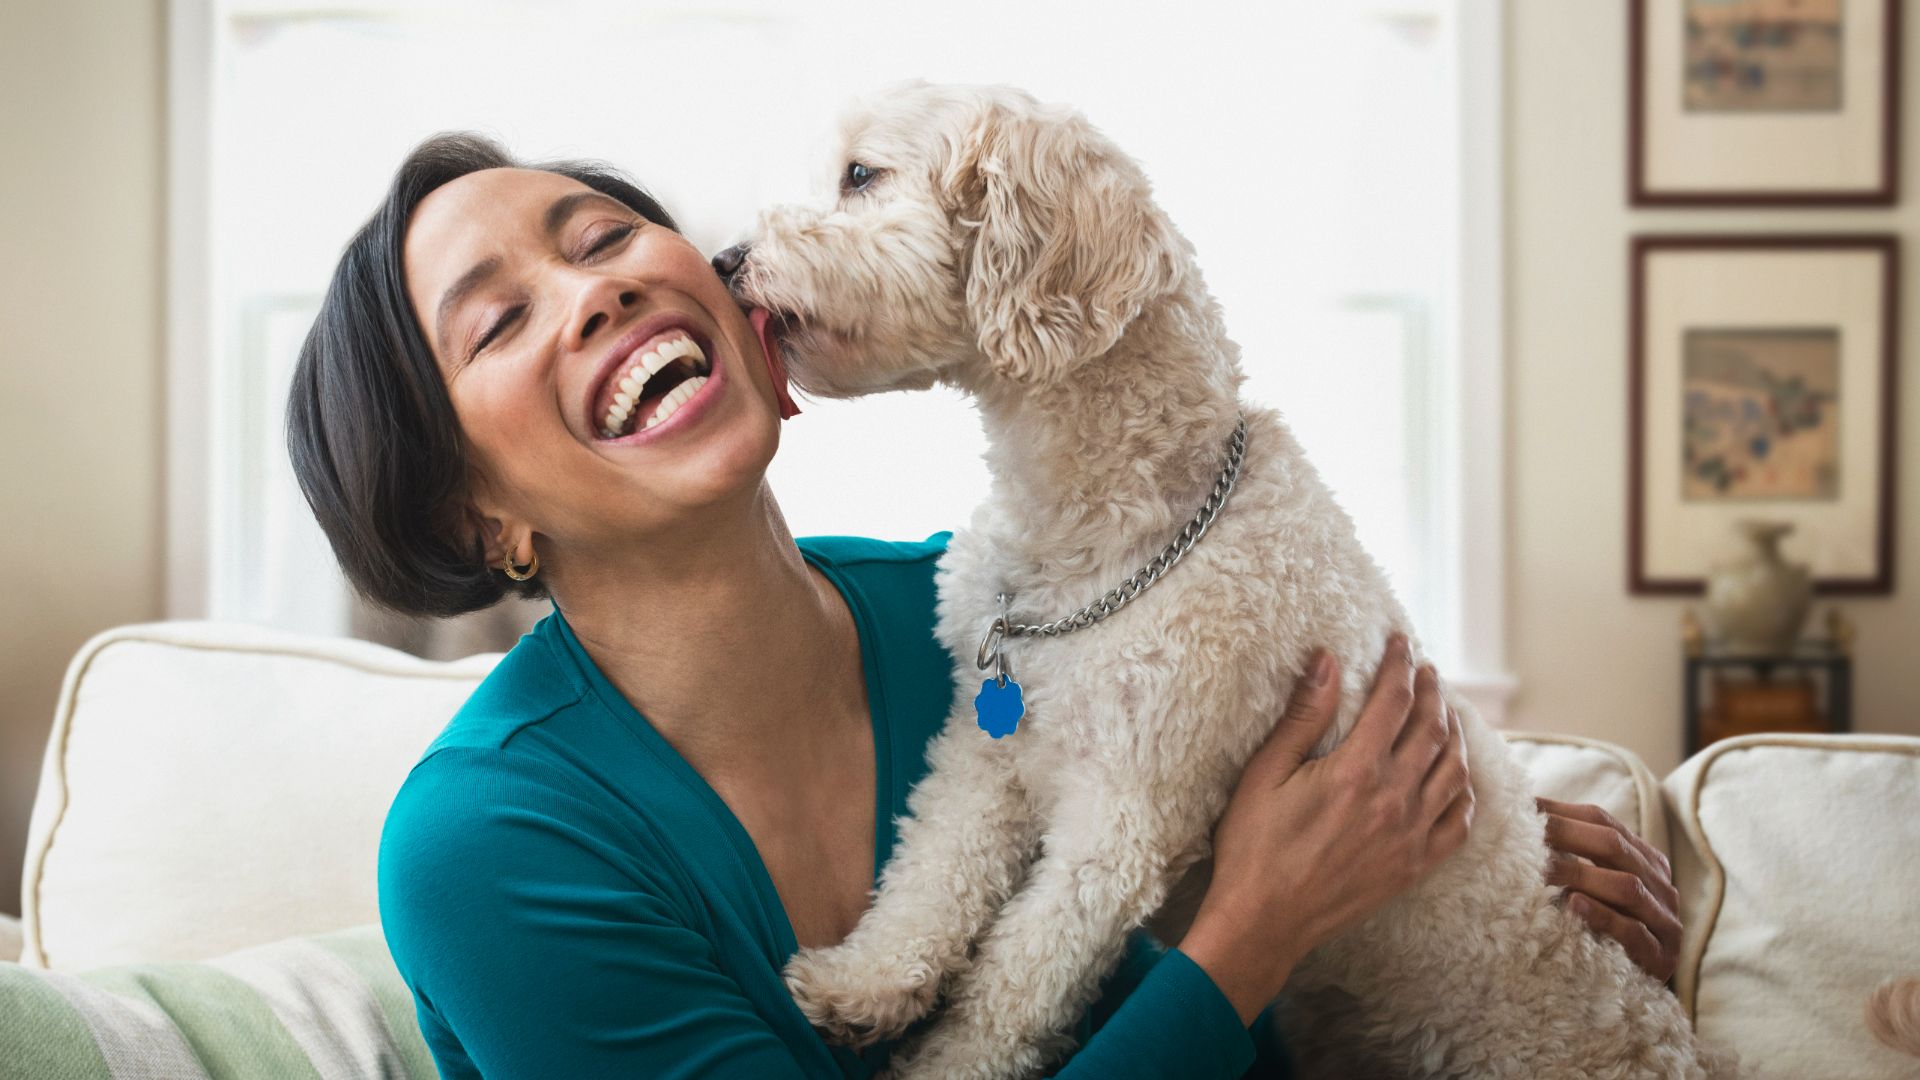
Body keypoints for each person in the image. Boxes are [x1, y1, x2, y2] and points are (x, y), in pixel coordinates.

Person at [286, 133, 1684, 1079]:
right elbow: (1247, 910)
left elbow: (1294, 805)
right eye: (500, 318)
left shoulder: (1007, 613)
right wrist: (1253, 933)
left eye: (601, 238)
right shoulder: (490, 845)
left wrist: (1474, 859)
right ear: (474, 518)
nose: (592, 288)